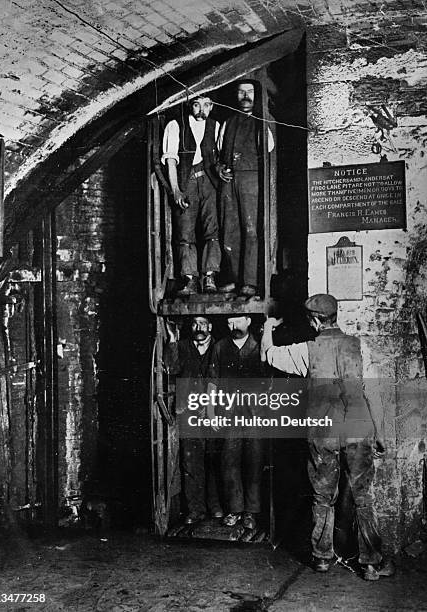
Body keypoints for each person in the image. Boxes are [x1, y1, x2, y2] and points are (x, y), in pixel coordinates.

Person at [261, 294, 394, 581]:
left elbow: (268, 355)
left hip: (322, 432)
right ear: (335, 316)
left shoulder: (306, 350)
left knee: (322, 497)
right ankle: (371, 563)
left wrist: (268, 328)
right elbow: (373, 393)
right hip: (358, 429)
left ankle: (322, 557)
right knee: (362, 497)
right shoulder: (360, 347)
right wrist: (381, 433)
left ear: (313, 320)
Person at [217, 80, 274, 297]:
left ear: (256, 95)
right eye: (241, 92)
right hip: (229, 182)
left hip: (251, 180)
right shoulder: (227, 123)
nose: (245, 96)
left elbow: (269, 151)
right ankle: (232, 278)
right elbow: (219, 152)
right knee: (229, 231)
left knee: (251, 230)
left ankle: (250, 281)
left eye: (249, 92)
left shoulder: (263, 122)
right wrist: (220, 168)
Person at [164, 316, 223, 523]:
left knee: (213, 460)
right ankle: (195, 509)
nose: (199, 328)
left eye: (204, 323)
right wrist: (171, 339)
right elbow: (171, 369)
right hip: (188, 411)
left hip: (214, 411)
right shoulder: (182, 346)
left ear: (211, 326)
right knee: (190, 462)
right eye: (195, 324)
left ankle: (215, 506)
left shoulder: (219, 347)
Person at [209, 315, 264, 530]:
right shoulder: (221, 346)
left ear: (248, 320)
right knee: (229, 461)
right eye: (230, 322)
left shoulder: (259, 345)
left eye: (238, 321)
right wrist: (211, 411)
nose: (234, 326)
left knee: (254, 462)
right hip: (229, 412)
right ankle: (235, 509)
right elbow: (212, 381)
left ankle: (251, 512)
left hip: (255, 414)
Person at [162, 95, 221, 296]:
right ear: (190, 106)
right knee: (185, 232)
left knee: (211, 230)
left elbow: (220, 156)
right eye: (196, 104)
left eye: (206, 105)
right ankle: (190, 279)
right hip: (187, 181)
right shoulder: (175, 125)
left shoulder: (216, 126)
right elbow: (171, 160)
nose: (201, 109)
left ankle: (209, 276)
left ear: (211, 106)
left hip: (209, 181)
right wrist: (176, 189)